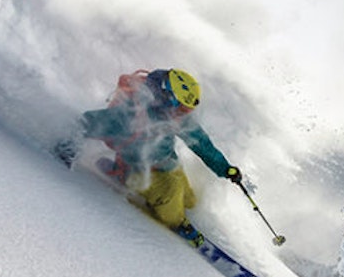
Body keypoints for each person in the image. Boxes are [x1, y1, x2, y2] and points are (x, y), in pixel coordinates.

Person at [61, 68, 242, 231]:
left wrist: (225, 169)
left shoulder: (175, 117)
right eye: (182, 109)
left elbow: (202, 144)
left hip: (168, 163)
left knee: (189, 200)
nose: (184, 114)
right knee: (171, 195)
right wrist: (68, 148)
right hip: (139, 171)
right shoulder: (131, 116)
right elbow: (87, 123)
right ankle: (176, 223)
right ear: (167, 99)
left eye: (187, 110)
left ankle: (172, 208)